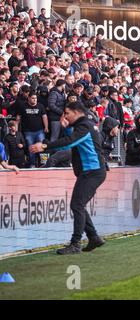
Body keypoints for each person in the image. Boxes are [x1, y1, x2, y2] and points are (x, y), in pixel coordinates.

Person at [29, 101, 107, 255]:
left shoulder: (84, 126)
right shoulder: (84, 125)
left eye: (67, 113)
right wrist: (67, 128)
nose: (65, 116)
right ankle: (93, 237)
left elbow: (70, 142)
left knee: (77, 205)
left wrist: (44, 146)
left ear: (77, 112)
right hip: (91, 171)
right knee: (79, 205)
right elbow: (73, 141)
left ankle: (75, 244)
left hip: (92, 172)